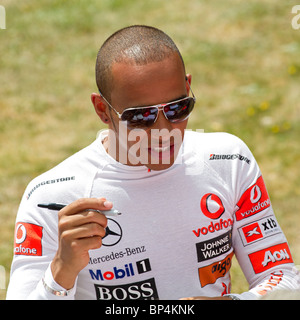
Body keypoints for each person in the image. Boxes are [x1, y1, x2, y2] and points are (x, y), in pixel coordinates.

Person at [6, 25, 299, 300]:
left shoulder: (228, 160)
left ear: (188, 87)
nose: (164, 130)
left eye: (178, 108)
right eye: (141, 116)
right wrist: (61, 270)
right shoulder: (50, 195)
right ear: (102, 110)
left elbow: (284, 280)